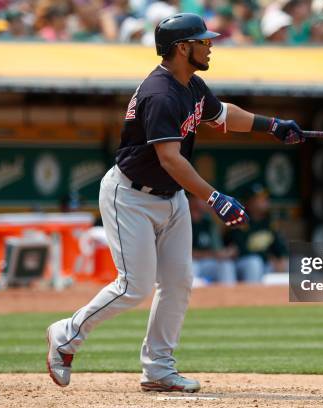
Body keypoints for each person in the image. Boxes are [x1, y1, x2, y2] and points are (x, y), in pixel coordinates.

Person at [45, 12, 303, 393]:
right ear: (183, 48)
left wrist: (272, 125)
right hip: (130, 196)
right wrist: (215, 198)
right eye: (203, 40)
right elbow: (170, 157)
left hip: (171, 196)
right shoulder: (161, 93)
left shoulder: (192, 84)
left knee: (179, 281)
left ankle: (158, 369)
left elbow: (222, 115)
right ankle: (66, 335)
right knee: (134, 286)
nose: (209, 44)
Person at [226, 183, 288, 282]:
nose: (265, 201)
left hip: (266, 264)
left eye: (265, 198)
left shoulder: (268, 222)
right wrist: (270, 258)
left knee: (291, 263)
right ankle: (252, 296)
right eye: (259, 199)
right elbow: (240, 251)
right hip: (242, 265)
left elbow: (280, 247)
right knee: (254, 262)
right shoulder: (239, 220)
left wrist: (281, 258)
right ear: (249, 202)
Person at [189, 195, 237, 285]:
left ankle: (230, 296)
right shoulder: (183, 219)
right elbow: (184, 254)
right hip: (190, 263)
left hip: (207, 262)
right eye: (202, 199)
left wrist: (226, 252)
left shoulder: (208, 222)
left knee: (226, 265)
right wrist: (214, 254)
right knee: (192, 267)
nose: (207, 202)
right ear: (191, 200)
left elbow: (218, 249)